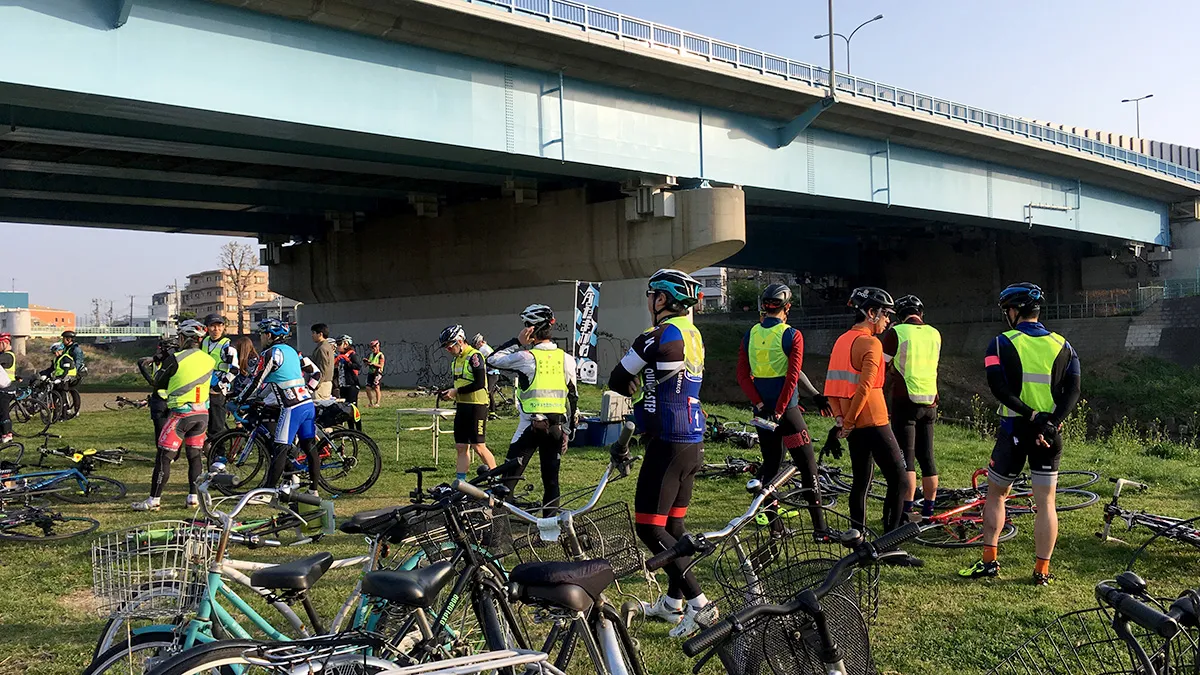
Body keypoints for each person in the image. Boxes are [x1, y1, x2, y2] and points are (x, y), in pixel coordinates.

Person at [606, 269, 713, 638]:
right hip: (692, 437)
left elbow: (617, 379)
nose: (648, 302)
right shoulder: (693, 333)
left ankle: (700, 606)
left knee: (650, 527)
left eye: (651, 295)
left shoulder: (656, 335)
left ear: (662, 300)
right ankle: (673, 604)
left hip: (668, 440)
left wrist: (636, 379)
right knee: (674, 527)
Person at [959, 282, 1081, 586]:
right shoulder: (1064, 345)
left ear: (1013, 311)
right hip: (1049, 434)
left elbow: (998, 388)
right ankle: (1041, 571)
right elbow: (1073, 391)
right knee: (1046, 502)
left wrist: (1030, 416)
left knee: (996, 494)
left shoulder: (999, 343)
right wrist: (1051, 423)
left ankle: (989, 563)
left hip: (1014, 428)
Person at [824, 287, 916, 563]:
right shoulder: (872, 344)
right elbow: (865, 387)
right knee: (899, 479)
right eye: (885, 314)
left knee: (862, 481)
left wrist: (842, 419)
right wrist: (850, 421)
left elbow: (833, 384)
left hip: (852, 421)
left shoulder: (841, 340)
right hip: (873, 418)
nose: (888, 321)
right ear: (872, 313)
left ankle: (858, 540)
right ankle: (891, 544)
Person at [736, 283, 832, 539]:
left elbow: (742, 375)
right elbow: (792, 376)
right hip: (786, 412)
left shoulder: (751, 334)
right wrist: (779, 410)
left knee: (771, 466)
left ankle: (775, 526)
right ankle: (820, 529)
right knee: (807, 464)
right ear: (787, 307)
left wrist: (759, 404)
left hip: (761, 412)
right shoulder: (792, 335)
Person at [487, 304, 577, 514]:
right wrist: (568, 431)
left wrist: (518, 341)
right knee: (552, 482)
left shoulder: (525, 357)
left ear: (530, 330)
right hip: (555, 427)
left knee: (508, 480)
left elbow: (491, 359)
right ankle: (549, 534)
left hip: (528, 427)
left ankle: (499, 535)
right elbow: (573, 398)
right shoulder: (566, 359)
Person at [132, 320, 214, 511]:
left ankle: (154, 500)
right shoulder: (209, 359)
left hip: (181, 415)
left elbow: (158, 383)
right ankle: (193, 497)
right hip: (202, 414)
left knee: (164, 457)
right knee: (194, 457)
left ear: (184, 338)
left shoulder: (175, 359)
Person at [241, 318, 323, 490]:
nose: (261, 337)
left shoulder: (271, 353)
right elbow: (313, 373)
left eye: (262, 334)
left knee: (279, 449)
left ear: (269, 335)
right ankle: (313, 491)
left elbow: (256, 381)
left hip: (291, 407)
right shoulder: (293, 352)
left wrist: (239, 399)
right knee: (309, 446)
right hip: (307, 404)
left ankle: (268, 492)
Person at [881, 294, 942, 523]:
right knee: (927, 457)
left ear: (898, 315)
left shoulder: (897, 333)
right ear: (921, 313)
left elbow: (883, 363)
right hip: (930, 400)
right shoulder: (935, 333)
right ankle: (928, 511)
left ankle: (907, 510)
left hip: (905, 400)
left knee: (908, 458)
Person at [438, 325, 497, 482]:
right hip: (462, 406)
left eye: (449, 346)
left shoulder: (475, 356)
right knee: (461, 447)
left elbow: (479, 383)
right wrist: (449, 393)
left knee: (478, 446)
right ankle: (461, 483)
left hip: (477, 406)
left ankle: (498, 480)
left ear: (459, 340)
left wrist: (456, 392)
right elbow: (460, 383)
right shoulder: (457, 360)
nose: (448, 350)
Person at [200, 314, 239, 438]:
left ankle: (219, 454)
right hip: (203, 388)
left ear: (223, 328)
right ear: (207, 328)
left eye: (219, 326)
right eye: (212, 326)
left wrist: (219, 386)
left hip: (217, 391)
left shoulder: (227, 346)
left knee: (216, 425)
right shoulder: (204, 342)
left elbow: (234, 370)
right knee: (201, 421)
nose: (216, 329)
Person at [136, 337, 176, 445]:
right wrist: (151, 381)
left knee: (173, 430)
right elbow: (141, 362)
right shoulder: (158, 360)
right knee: (161, 430)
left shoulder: (175, 360)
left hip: (170, 398)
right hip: (161, 398)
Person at [333, 335, 364, 430]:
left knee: (354, 408)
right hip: (343, 385)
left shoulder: (352, 355)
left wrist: (347, 362)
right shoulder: (339, 356)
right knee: (346, 409)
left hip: (352, 385)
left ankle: (359, 431)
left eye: (339, 344)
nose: (337, 346)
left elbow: (358, 366)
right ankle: (351, 431)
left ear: (346, 344)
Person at [472, 333, 501, 415]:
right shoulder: (485, 347)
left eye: (476, 344)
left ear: (480, 342)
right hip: (492, 373)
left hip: (492, 373)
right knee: (489, 392)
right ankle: (492, 412)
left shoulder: (483, 349)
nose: (476, 347)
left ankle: (488, 412)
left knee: (486, 392)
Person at [229, 335, 260, 400]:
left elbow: (251, 377)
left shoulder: (252, 360)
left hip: (246, 392)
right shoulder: (241, 358)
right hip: (240, 391)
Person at [310, 323, 336, 400]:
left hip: (322, 384)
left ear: (320, 334)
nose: (312, 335)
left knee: (319, 407)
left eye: (313, 333)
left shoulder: (322, 348)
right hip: (323, 383)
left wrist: (315, 384)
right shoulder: (325, 346)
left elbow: (323, 369)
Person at [0, 334, 15, 443]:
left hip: (6, 388)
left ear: (5, 343)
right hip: (5, 386)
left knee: (4, 412)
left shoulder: (7, 355)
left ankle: (7, 434)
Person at [365, 340, 385, 408]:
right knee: (367, 388)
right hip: (371, 372)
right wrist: (367, 363)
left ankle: (377, 403)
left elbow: (381, 365)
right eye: (371, 348)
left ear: (377, 347)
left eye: (374, 347)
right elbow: (368, 363)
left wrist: (373, 364)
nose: (373, 349)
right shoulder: (371, 355)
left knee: (376, 387)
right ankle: (371, 403)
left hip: (377, 373)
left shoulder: (380, 355)